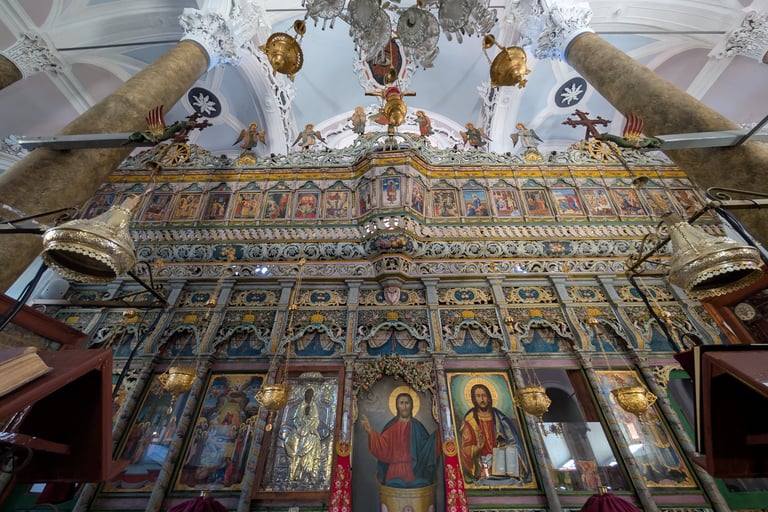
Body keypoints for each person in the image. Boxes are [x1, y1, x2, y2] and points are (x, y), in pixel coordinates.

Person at [360, 391, 438, 488]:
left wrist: (436, 437)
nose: (404, 406)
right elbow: (382, 445)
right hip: (394, 471)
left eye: (407, 403)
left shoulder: (418, 426)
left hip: (414, 471)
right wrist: (370, 431)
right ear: (397, 406)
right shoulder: (392, 427)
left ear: (412, 406)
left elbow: (426, 449)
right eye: (401, 403)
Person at [459, 383, 530, 484]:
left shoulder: (500, 418)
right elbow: (465, 448)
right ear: (474, 399)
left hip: (501, 460)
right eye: (478, 396)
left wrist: (505, 445)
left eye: (484, 395)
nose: (482, 399)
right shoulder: (470, 420)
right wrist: (477, 448)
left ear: (489, 397)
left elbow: (514, 442)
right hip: (482, 463)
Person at [285, 387, 323, 482]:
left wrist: (309, 424)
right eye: (307, 394)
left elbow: (315, 419)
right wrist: (300, 425)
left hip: (310, 431)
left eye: (311, 394)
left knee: (314, 441)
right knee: (290, 441)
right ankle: (294, 474)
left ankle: (308, 474)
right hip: (299, 430)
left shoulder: (313, 406)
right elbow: (296, 419)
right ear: (304, 394)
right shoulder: (301, 406)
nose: (309, 396)